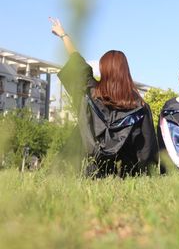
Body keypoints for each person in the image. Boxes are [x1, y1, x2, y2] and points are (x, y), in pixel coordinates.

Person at [50, 18, 158, 177]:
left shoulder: (89, 93)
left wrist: (64, 36)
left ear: (103, 70)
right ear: (125, 72)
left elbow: (77, 62)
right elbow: (146, 151)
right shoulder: (139, 108)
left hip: (82, 170)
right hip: (121, 175)